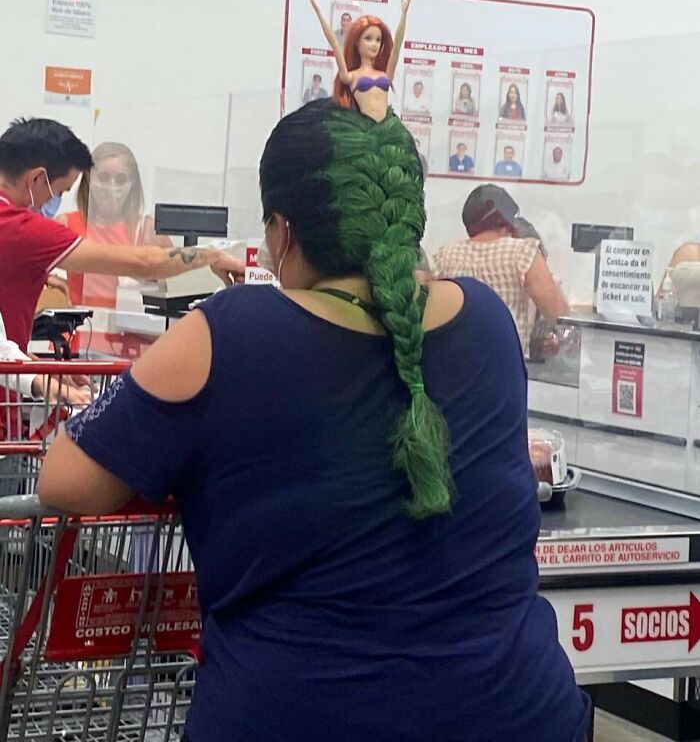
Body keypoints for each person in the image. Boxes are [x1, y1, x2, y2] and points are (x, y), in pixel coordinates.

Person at [39, 100, 590, 742]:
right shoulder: (488, 322)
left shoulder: (232, 330)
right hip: (520, 711)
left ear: (281, 233)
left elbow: (66, 481)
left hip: (301, 714)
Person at [0, 118, 243, 355]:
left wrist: (37, 374)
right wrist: (212, 255)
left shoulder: (144, 228)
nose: (55, 202)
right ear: (37, 179)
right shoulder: (23, 227)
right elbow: (145, 263)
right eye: (60, 192)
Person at [433, 184, 568, 355]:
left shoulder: (445, 256)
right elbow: (557, 312)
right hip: (504, 363)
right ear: (505, 218)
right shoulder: (522, 252)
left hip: (457, 364)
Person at [56, 141, 172, 309]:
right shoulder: (66, 224)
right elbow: (29, 265)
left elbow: (179, 288)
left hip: (135, 330)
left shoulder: (148, 230)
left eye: (120, 179)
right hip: (81, 328)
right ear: (89, 179)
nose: (111, 186)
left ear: (132, 183)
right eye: (103, 177)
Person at [310, 0, 410, 122]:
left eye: (378, 40)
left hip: (386, 128)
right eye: (368, 38)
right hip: (363, 130)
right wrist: (319, 13)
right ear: (357, 42)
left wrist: (404, 14)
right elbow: (334, 42)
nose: (374, 44)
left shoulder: (386, 74)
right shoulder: (351, 76)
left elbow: (397, 45)